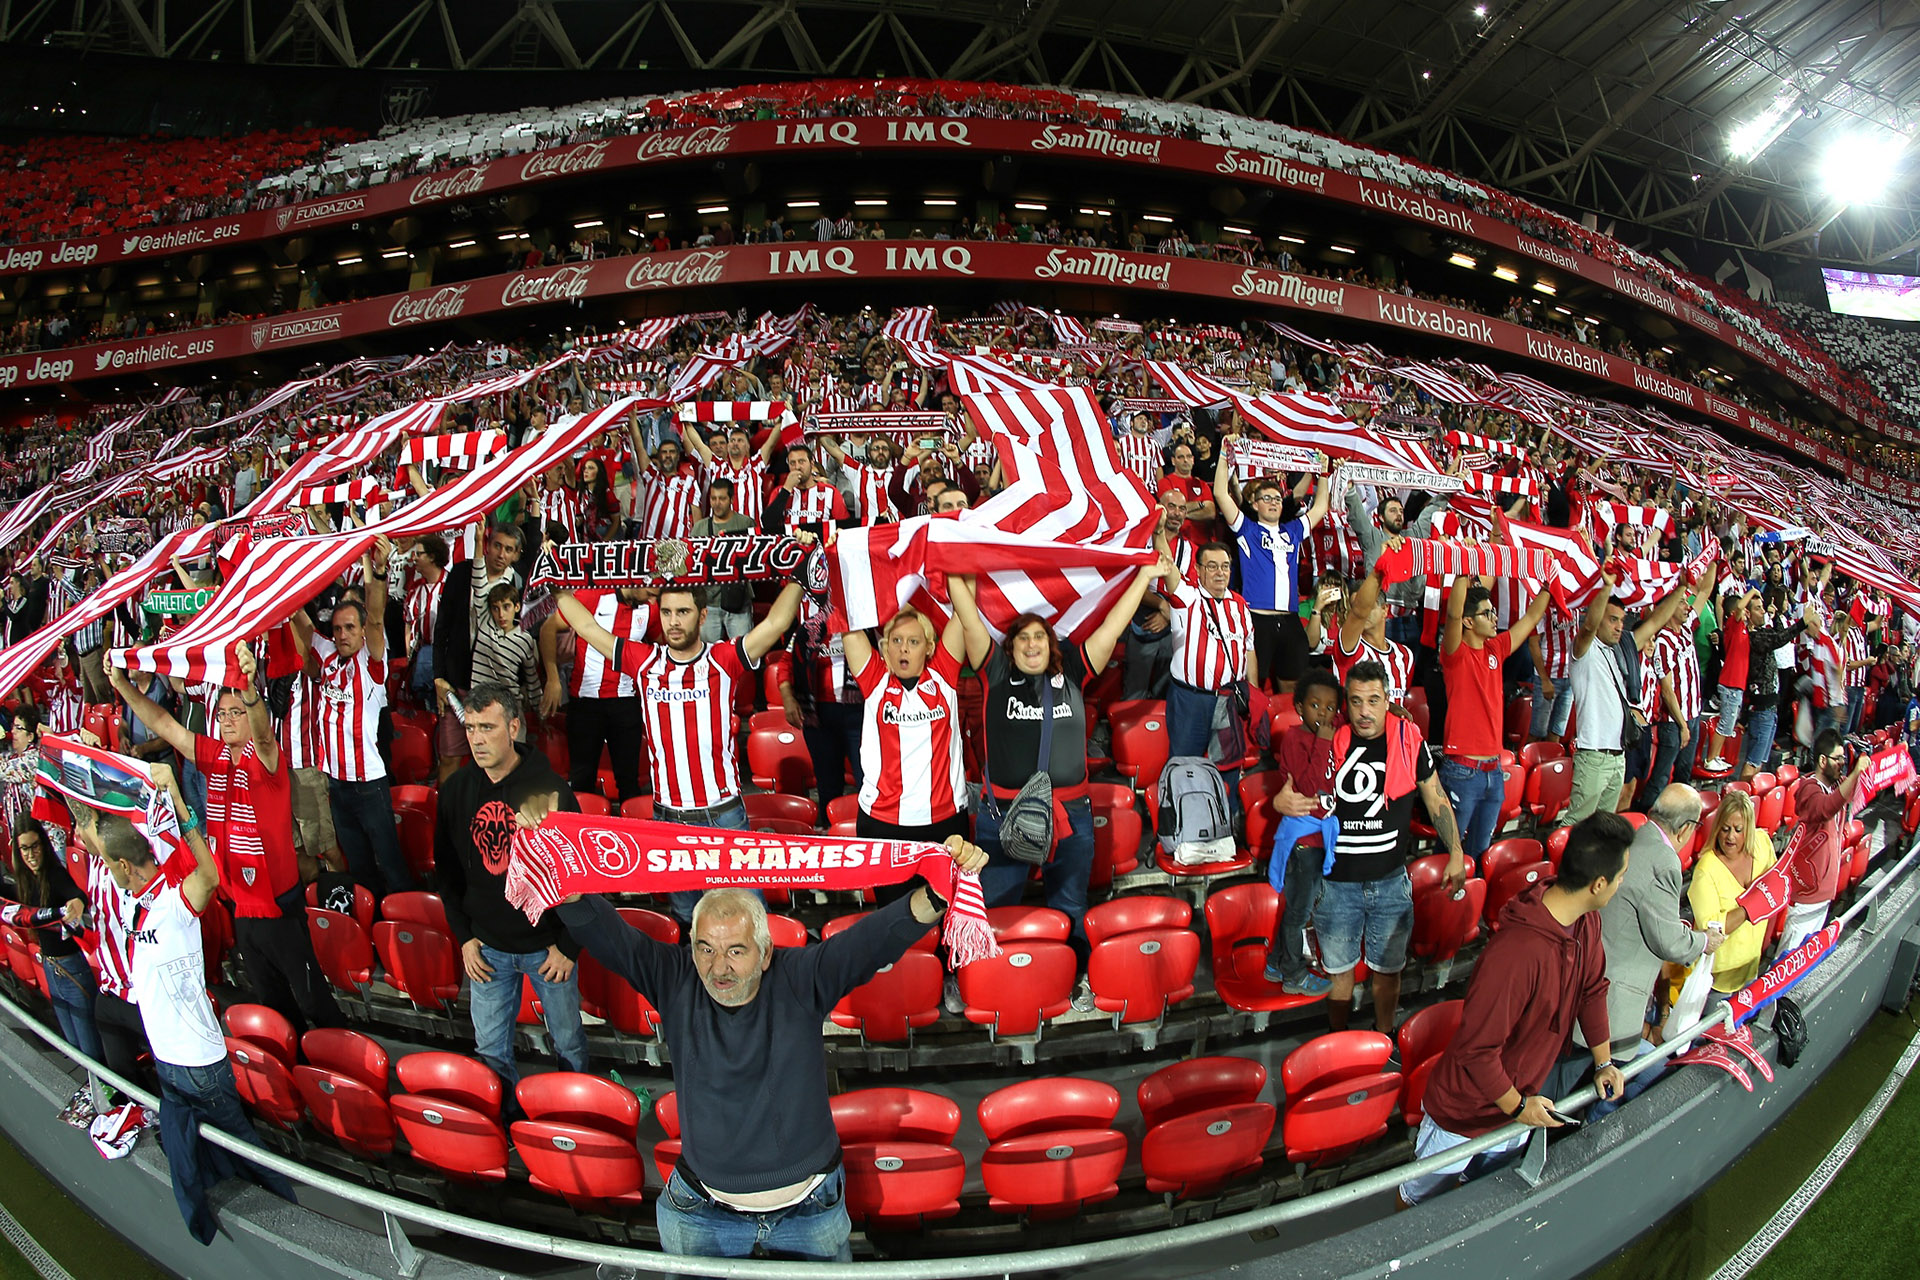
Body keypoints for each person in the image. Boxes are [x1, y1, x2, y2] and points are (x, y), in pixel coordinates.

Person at [555, 840, 990, 1262]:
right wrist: (553, 854)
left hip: (809, 1210)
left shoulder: (801, 978)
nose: (717, 966)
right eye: (705, 948)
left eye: (735, 950)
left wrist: (940, 886)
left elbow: (872, 941)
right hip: (703, 1214)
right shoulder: (676, 978)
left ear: (765, 954)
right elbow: (607, 934)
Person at [68, 768, 298, 1245]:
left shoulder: (174, 903)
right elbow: (95, 834)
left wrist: (177, 799)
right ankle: (266, 1212)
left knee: (241, 1143)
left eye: (111, 867)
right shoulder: (135, 901)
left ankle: (296, 1220)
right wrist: (65, 763)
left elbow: (210, 875)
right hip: (171, 1059)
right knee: (216, 1146)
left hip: (199, 1061)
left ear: (126, 867)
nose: (107, 872)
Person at [948, 558, 1168, 996]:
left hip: (1071, 816)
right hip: (1001, 815)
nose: (1032, 645)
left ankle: (1073, 981)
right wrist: (957, 556)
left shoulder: (1073, 676)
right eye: (1023, 638)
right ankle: (987, 983)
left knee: (1069, 906)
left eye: (1040, 638)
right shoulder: (993, 672)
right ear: (1010, 648)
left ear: (1053, 646)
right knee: (994, 907)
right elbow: (967, 614)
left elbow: (1111, 626)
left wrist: (1144, 575)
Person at [1398, 812, 1632, 1208]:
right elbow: (1477, 1050)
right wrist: (1518, 1107)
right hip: (1467, 1114)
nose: (1624, 882)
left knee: (1482, 1199)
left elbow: (1592, 991)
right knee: (1419, 1204)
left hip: (1518, 1104)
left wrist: (1604, 1063)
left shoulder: (1586, 921)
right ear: (1598, 883)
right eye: (1622, 874)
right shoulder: (1516, 954)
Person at [108, 641, 343, 1035]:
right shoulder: (213, 754)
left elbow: (266, 737)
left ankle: (342, 1065)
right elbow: (165, 725)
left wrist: (250, 693)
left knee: (313, 1000)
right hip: (241, 910)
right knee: (275, 1007)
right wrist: (123, 687)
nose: (228, 720)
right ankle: (300, 1072)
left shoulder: (267, 758)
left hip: (279, 910)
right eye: (222, 714)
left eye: (236, 713)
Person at [555, 579, 803, 925]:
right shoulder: (644, 662)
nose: (673, 621)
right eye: (667, 612)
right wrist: (553, 581)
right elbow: (584, 626)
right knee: (687, 920)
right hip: (668, 820)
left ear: (702, 616)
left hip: (723, 817)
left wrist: (799, 575)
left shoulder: (722, 659)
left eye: (683, 612)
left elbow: (776, 623)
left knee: (747, 920)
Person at [435, 684, 587, 1089]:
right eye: (470, 728)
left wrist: (569, 946)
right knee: (489, 1052)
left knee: (569, 1043)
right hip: (486, 950)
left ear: (514, 727)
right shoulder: (454, 791)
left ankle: (577, 1119)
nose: (477, 739)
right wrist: (464, 938)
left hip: (546, 951)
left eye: (487, 727)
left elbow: (583, 875)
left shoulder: (554, 792)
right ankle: (501, 1131)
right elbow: (447, 874)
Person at [1314, 661, 1465, 1035]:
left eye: (1374, 700)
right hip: (1336, 885)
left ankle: (1383, 1040)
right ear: (1345, 704)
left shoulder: (1408, 740)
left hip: (1390, 883)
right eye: (1356, 701)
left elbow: (1435, 797)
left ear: (1387, 701)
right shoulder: (1328, 741)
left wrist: (1457, 852)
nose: (1365, 710)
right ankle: (1339, 1043)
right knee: (1339, 973)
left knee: (1387, 973)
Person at [1576, 784, 1716, 1117]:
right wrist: (1704, 941)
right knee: (1610, 1090)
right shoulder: (1664, 860)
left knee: (1624, 1078)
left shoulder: (1634, 840)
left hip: (1595, 985)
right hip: (1613, 1004)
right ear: (1685, 829)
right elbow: (1667, 941)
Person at [301, 538, 412, 897]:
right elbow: (300, 624)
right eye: (337, 629)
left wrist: (376, 571)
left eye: (350, 628)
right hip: (335, 783)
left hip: (369, 785)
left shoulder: (371, 662)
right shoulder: (328, 656)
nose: (343, 634)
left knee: (391, 863)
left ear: (362, 631)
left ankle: (405, 924)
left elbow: (378, 616)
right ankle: (375, 929)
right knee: (360, 866)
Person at [842, 606, 972, 861]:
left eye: (913, 642)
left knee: (943, 902)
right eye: (897, 640)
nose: (904, 648)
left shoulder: (943, 675)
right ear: (885, 648)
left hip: (945, 822)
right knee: (892, 903)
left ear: (929, 648)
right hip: (883, 823)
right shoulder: (875, 681)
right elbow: (846, 619)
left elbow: (962, 613)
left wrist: (962, 567)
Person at [1440, 574, 1552, 862]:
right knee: (1450, 856)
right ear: (1468, 622)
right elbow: (1453, 612)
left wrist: (1550, 584)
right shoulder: (1455, 653)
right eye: (1486, 613)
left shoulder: (1496, 649)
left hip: (1493, 770)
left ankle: (1471, 907)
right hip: (1462, 771)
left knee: (1480, 853)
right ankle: (1441, 907)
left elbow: (1530, 618)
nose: (1494, 618)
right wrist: (1463, 574)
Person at [1562, 571, 1689, 824]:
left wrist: (1680, 590)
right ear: (1598, 619)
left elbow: (1654, 624)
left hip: (1617, 755)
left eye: (1621, 620)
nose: (1619, 626)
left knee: (1604, 825)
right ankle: (1563, 864)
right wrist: (1607, 586)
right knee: (1577, 825)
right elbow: (1587, 627)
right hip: (1593, 755)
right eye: (1612, 620)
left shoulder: (1622, 647)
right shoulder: (1583, 650)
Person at [1214, 450, 1331, 694]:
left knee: (1293, 687)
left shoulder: (1294, 531)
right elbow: (1220, 493)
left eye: (1278, 498)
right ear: (1255, 505)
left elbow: (1320, 507)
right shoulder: (1246, 528)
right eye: (1267, 498)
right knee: (1253, 687)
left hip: (1289, 620)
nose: (1274, 502)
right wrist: (1224, 454)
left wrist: (1324, 472)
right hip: (1257, 620)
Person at [1261, 668, 1341, 996]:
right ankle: (1293, 974)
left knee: (1297, 907)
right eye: (1315, 705)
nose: (1323, 713)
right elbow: (1308, 788)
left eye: (1330, 707)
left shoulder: (1336, 737)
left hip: (1320, 836)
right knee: (1298, 912)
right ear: (1299, 707)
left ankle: (1276, 962)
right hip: (1302, 842)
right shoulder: (1295, 738)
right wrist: (1323, 742)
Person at [1160, 542, 1257, 804]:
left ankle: (1227, 826)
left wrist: (1254, 696)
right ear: (1198, 570)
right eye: (1212, 566)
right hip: (1191, 700)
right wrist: (1158, 535)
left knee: (1227, 771)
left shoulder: (1239, 604)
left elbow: (1249, 649)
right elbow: (1168, 568)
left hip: (1228, 701)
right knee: (1184, 768)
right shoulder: (1187, 597)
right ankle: (1180, 830)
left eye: (1225, 566)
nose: (1219, 573)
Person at [539, 586, 653, 807]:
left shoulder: (652, 607)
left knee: (629, 782)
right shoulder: (593, 596)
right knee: (582, 779)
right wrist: (553, 679)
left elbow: (662, 646)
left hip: (626, 701)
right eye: (650, 590)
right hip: (586, 701)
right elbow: (547, 628)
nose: (652, 597)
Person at [432, 522, 525, 780]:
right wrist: (438, 676)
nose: (501, 554)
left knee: (497, 761)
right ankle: (449, 818)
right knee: (450, 756)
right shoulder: (461, 573)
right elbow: (442, 628)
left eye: (509, 549)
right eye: (497, 546)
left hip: (497, 689)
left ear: (516, 554)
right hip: (457, 683)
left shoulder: (518, 583)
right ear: (487, 544)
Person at [10, 817, 99, 1071]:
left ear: (44, 844)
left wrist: (78, 904)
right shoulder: (26, 880)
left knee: (89, 1048)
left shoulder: (54, 874)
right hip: (50, 967)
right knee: (72, 1043)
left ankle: (111, 1099)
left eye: (34, 846)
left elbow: (76, 894)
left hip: (72, 970)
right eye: (24, 849)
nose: (31, 854)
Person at [1781, 729, 1868, 951]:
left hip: (1823, 896)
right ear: (1822, 760)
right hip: (1805, 898)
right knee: (1787, 961)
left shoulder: (1835, 787)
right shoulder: (1808, 788)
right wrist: (1856, 772)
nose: (1842, 764)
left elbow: (1852, 792)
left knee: (1806, 962)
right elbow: (1825, 809)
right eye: (1838, 759)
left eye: (1843, 759)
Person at [1688, 788, 1775, 1001]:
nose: (1730, 837)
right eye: (1725, 829)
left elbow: (1775, 891)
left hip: (1752, 969)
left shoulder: (1762, 844)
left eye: (1738, 830)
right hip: (1717, 983)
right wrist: (1749, 909)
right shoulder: (1706, 869)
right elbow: (1711, 929)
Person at [1701, 586, 1760, 774]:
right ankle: (1710, 759)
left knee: (1728, 724)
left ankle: (1716, 756)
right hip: (1730, 683)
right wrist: (1753, 592)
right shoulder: (1733, 625)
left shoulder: (1744, 629)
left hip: (1736, 684)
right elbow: (1741, 605)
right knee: (1725, 724)